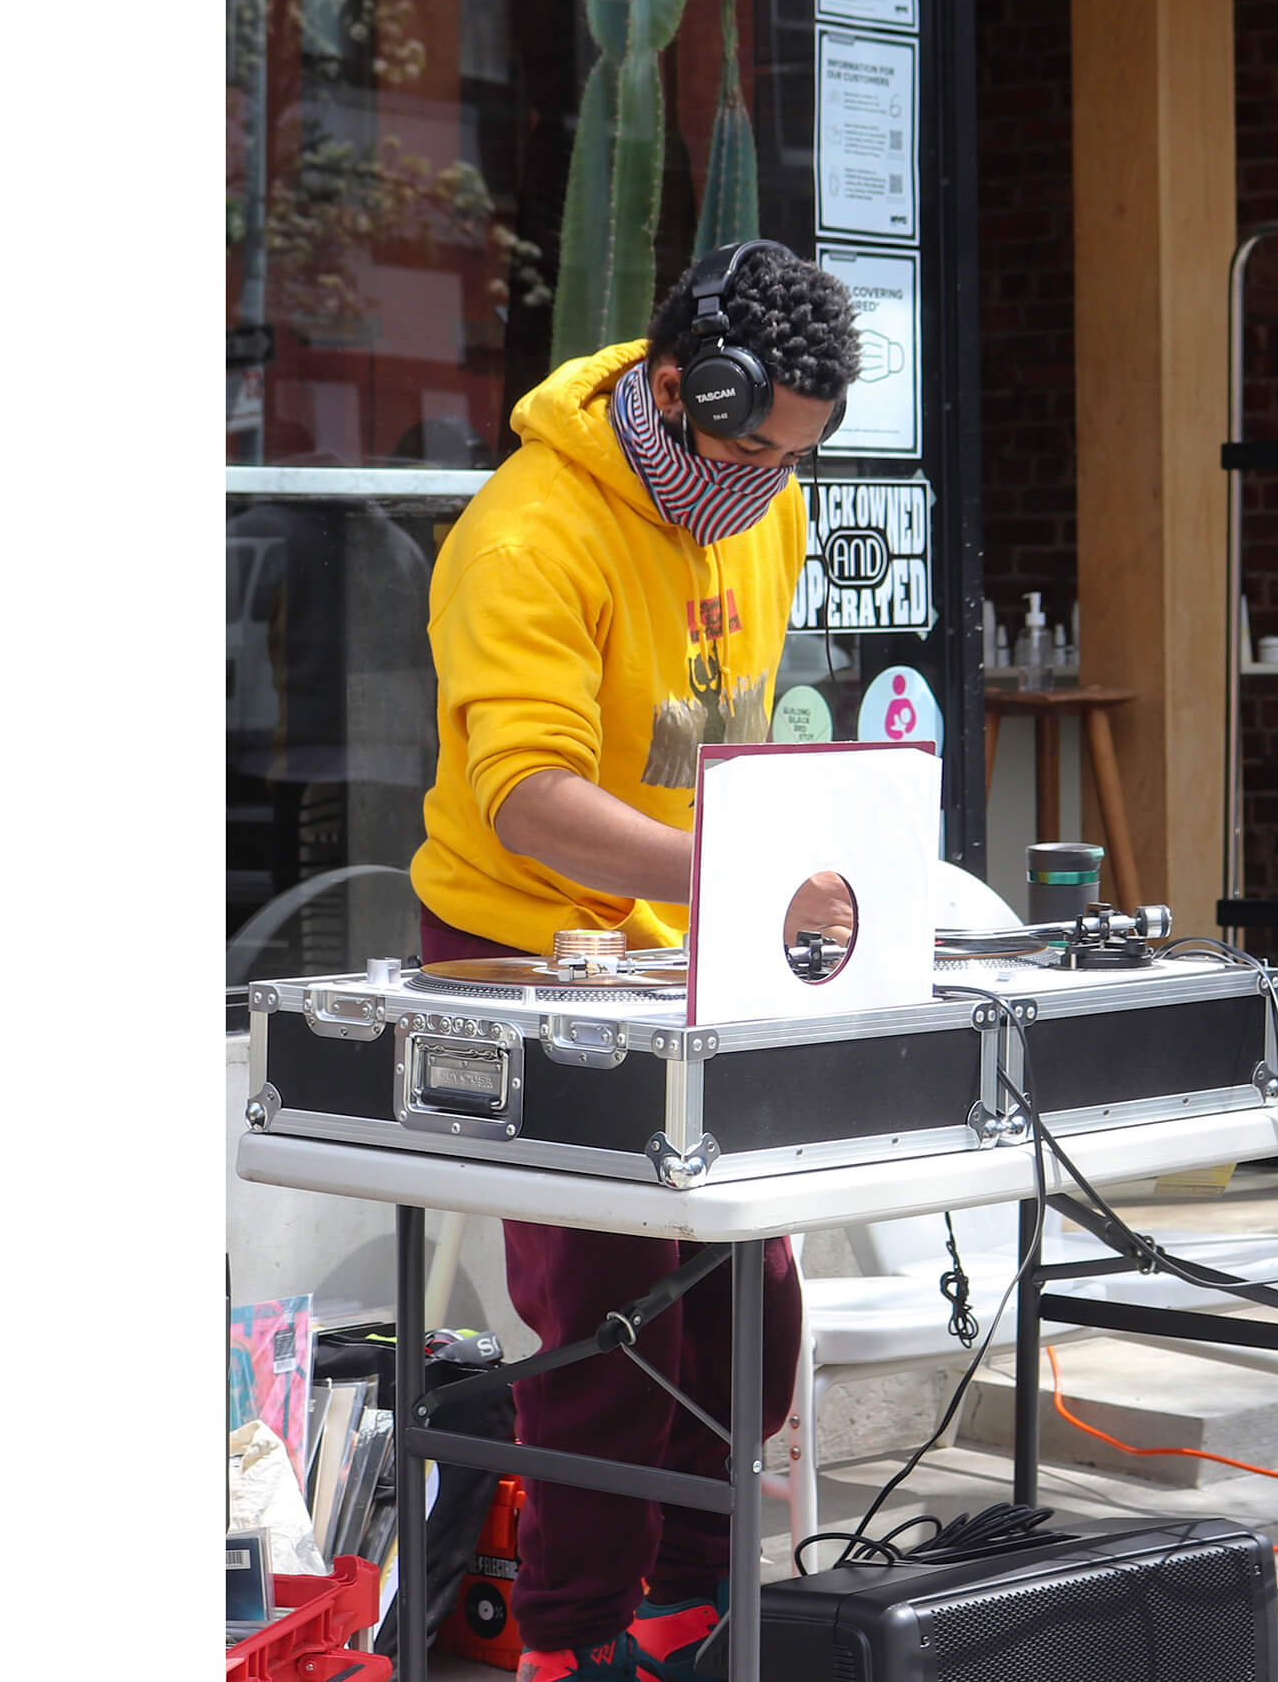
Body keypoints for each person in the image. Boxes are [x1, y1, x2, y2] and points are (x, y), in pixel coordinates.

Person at [410, 242, 861, 1681]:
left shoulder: (761, 509)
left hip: (686, 937)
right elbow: (523, 791)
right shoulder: (527, 534)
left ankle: (691, 1608)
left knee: (750, 1313)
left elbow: (722, 742)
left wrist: (808, 862)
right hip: (514, 947)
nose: (767, 482)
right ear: (672, 386)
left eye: (795, 457)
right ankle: (569, 1641)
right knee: (604, 1331)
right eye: (749, 445)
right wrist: (736, 865)